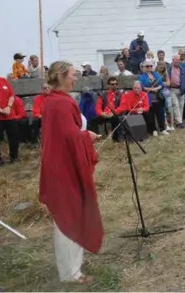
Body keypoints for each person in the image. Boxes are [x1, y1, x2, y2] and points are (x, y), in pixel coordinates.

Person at [38, 60, 102, 284]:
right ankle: (70, 273)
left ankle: (75, 266)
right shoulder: (60, 104)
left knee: (74, 213)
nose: (76, 78)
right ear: (62, 76)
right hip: (62, 168)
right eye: (73, 75)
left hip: (63, 164)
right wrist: (88, 137)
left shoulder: (58, 101)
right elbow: (70, 137)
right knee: (68, 216)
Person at [138, 61, 168, 136]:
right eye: (147, 66)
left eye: (151, 66)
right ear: (144, 68)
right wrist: (151, 89)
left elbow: (162, 84)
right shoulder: (142, 77)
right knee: (150, 115)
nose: (149, 68)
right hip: (149, 98)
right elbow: (142, 87)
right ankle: (153, 130)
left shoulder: (156, 74)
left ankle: (162, 129)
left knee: (160, 114)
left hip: (158, 97)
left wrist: (158, 87)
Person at [95, 77, 126, 142]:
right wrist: (102, 113)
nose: (115, 85)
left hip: (115, 115)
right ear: (108, 85)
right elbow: (98, 107)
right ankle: (99, 138)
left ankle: (117, 138)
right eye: (112, 84)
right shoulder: (103, 95)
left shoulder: (121, 94)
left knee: (116, 119)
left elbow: (123, 106)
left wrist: (113, 113)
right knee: (93, 121)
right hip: (105, 115)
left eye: (116, 84)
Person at [0, 76, 17, 164]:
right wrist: (1, 110)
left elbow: (11, 95)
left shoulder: (3, 80)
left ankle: (14, 158)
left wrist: (8, 107)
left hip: (10, 115)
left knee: (13, 136)